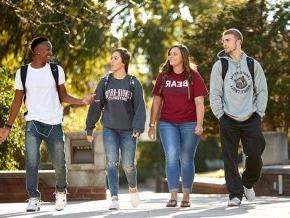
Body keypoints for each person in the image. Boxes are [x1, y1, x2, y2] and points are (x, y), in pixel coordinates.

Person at [0, 37, 94, 212]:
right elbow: (16, 101)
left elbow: (64, 96)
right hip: (33, 122)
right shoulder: (22, 72)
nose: (51, 52)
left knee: (59, 162)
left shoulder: (56, 70)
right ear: (37, 51)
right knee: (31, 162)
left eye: (51, 49)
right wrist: (7, 126)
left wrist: (82, 101)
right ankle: (34, 198)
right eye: (47, 49)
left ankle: (60, 192)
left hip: (54, 123)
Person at [209, 28, 268, 206]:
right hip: (228, 118)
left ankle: (247, 183)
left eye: (228, 40)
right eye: (223, 40)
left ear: (238, 42)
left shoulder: (252, 64)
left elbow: (262, 90)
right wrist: (220, 115)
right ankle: (235, 194)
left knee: (256, 154)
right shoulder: (220, 65)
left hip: (251, 117)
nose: (224, 43)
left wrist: (259, 113)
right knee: (230, 158)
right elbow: (215, 93)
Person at [85, 48, 146, 210]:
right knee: (111, 163)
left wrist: (138, 127)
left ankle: (133, 189)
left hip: (128, 131)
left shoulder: (133, 82)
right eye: (111, 58)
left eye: (115, 58)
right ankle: (114, 198)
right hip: (110, 129)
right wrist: (89, 127)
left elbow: (140, 107)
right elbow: (96, 105)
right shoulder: (104, 82)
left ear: (123, 62)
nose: (112, 61)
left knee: (128, 165)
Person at [148, 44, 208, 207]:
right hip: (168, 123)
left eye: (175, 54)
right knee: (172, 157)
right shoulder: (164, 76)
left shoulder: (193, 76)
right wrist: (152, 124)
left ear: (183, 57)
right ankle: (173, 195)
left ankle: (186, 196)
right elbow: (157, 101)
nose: (171, 56)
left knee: (187, 158)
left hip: (190, 123)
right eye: (170, 54)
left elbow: (199, 101)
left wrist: (200, 124)